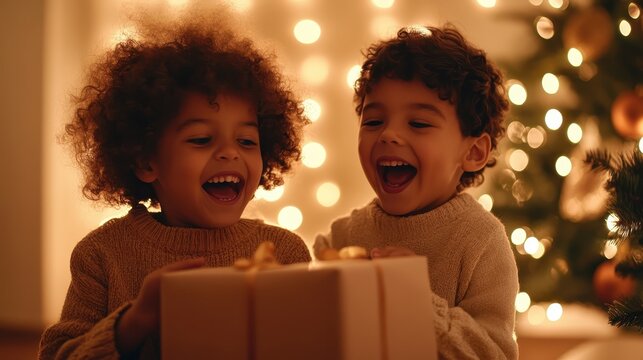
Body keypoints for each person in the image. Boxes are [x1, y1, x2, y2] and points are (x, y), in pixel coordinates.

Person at [39, 8, 311, 359]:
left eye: (246, 141)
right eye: (201, 140)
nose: (230, 153)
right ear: (145, 161)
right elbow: (57, 354)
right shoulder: (102, 255)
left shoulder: (285, 254)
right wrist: (137, 320)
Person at [314, 24, 519, 359]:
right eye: (373, 121)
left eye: (419, 124)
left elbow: (494, 353)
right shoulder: (342, 239)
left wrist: (415, 300)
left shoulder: (481, 241)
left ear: (473, 153)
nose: (388, 135)